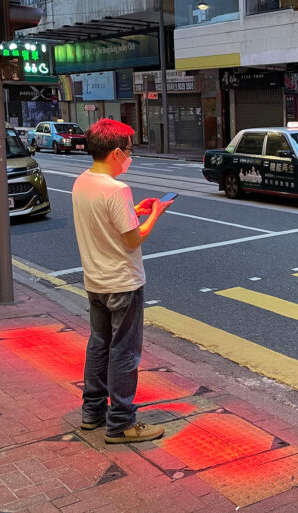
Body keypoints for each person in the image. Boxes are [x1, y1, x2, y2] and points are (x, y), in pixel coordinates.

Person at [71, 118, 173, 444]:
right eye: (129, 151)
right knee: (124, 352)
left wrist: (136, 210)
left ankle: (92, 413)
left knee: (98, 345)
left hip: (95, 282)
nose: (130, 157)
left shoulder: (82, 182)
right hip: (123, 283)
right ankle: (121, 423)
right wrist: (156, 213)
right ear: (116, 152)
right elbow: (132, 241)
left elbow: (109, 224)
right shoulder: (117, 190)